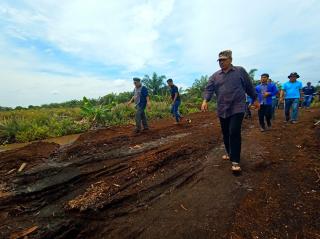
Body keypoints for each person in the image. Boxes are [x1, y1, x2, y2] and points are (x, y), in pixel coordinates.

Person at [201, 50, 258, 173]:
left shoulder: (240, 71)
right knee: (226, 133)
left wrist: (255, 98)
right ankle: (229, 153)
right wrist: (205, 100)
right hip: (222, 108)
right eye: (219, 60)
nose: (221, 62)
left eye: (223, 60)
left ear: (230, 60)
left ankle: (235, 161)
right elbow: (209, 89)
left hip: (237, 107)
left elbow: (249, 86)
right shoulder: (215, 76)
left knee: (234, 132)